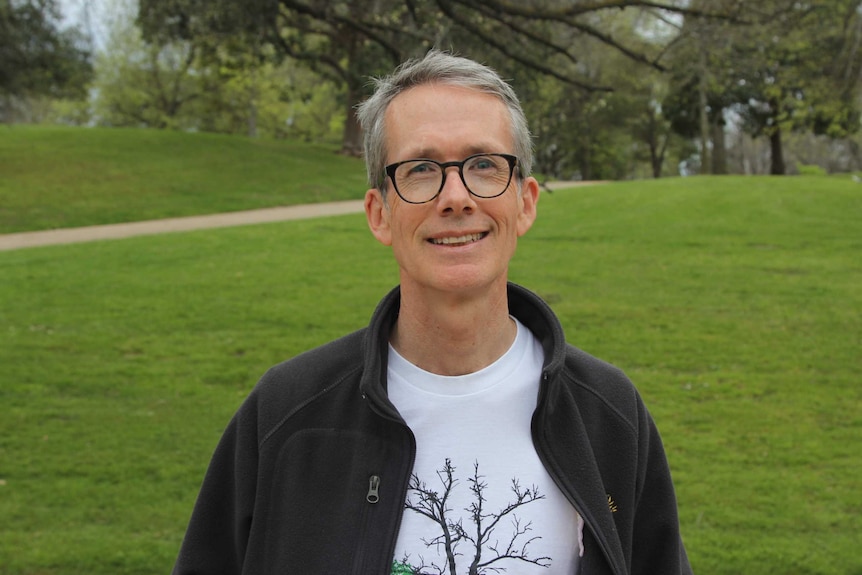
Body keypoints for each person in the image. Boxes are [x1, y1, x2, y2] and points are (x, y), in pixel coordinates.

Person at [171, 50, 693, 575]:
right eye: (421, 170)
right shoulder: (286, 415)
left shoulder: (606, 414)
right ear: (380, 214)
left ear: (526, 202)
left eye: (484, 165)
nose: (456, 197)